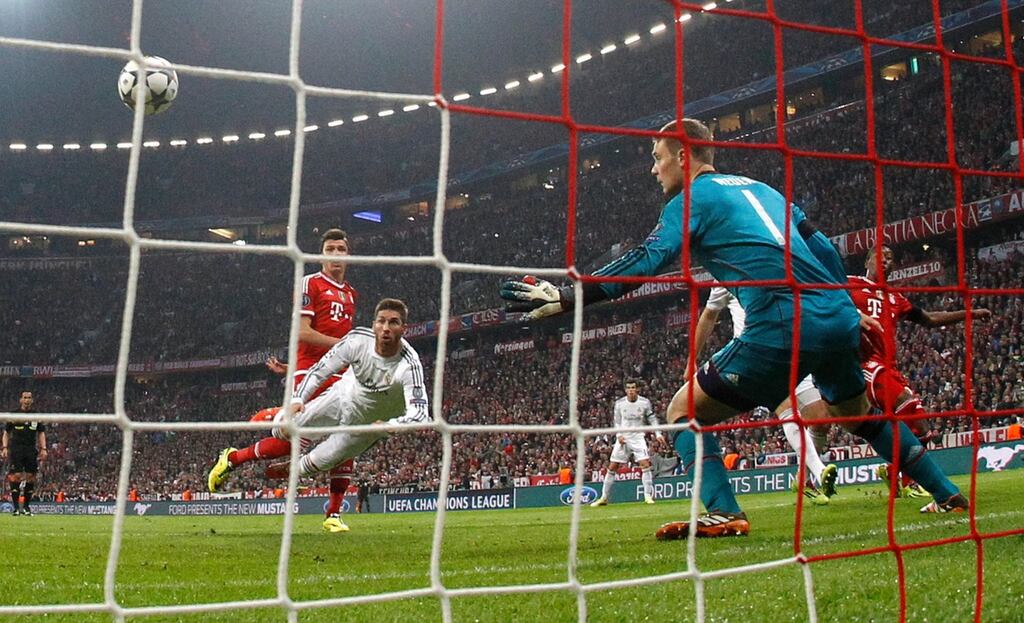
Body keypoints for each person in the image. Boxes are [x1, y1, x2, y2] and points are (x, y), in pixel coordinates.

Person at [501, 118, 969, 539]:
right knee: (860, 414)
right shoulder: (764, 190)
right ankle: (947, 493)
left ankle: (725, 512)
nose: (654, 169)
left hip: (780, 323)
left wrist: (570, 296)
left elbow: (648, 259)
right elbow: (824, 248)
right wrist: (846, 304)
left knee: (683, 411)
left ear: (683, 155)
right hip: (836, 319)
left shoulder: (691, 201)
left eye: (657, 158)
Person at [207, 228, 359, 533]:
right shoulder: (310, 283)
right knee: (291, 442)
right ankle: (234, 457)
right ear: (321, 255)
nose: (336, 254)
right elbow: (302, 332)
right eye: (330, 249)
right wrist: (342, 347)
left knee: (349, 437)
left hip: (341, 375)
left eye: (341, 249)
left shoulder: (351, 293)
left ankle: (333, 513)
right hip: (310, 376)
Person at [849, 245, 991, 507]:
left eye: (891, 258)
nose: (887, 260)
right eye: (882, 255)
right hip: (865, 366)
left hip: (889, 368)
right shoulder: (849, 285)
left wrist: (968, 314)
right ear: (868, 260)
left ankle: (895, 474)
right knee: (908, 409)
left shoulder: (895, 297)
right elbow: (824, 300)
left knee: (921, 429)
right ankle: (915, 485)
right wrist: (855, 315)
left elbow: (929, 318)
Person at [692, 286, 837, 505]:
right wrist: (691, 359)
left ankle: (803, 479)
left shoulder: (777, 268)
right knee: (786, 406)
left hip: (792, 351)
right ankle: (819, 470)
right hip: (755, 355)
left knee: (821, 419)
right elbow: (709, 315)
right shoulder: (725, 276)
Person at [263, 298, 431, 483]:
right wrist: (298, 399)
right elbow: (319, 371)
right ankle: (275, 417)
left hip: (366, 425)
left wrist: (390, 425)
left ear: (403, 329)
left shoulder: (409, 366)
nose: (385, 328)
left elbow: (420, 414)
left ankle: (292, 468)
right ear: (373, 325)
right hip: (342, 397)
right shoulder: (357, 341)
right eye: (381, 321)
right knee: (282, 429)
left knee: (316, 463)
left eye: (393, 322)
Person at [590, 379, 663, 506]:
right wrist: (619, 435)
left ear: (637, 389)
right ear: (625, 390)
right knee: (612, 467)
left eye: (633, 387)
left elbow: (652, 418)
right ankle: (604, 497)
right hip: (624, 438)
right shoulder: (620, 403)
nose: (631, 390)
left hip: (638, 438)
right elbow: (617, 421)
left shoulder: (644, 402)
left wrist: (658, 434)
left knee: (645, 465)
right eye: (628, 388)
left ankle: (648, 496)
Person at [2, 391, 47, 516]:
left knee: (31, 477)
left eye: (29, 398)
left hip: (30, 449)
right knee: (15, 476)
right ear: (20, 400)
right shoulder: (14, 415)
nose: (27, 400)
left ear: (32, 400)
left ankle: (26, 507)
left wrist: (43, 448)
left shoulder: (36, 415)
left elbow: (41, 433)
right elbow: (6, 432)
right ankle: (16, 508)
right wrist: (4, 447)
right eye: (25, 397)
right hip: (16, 449)